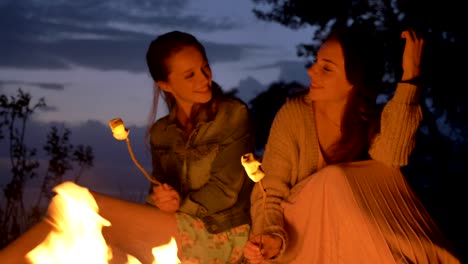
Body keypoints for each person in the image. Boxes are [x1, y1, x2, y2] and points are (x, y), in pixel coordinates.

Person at [0, 31, 254, 264]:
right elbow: (159, 191)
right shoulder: (161, 133)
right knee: (87, 238)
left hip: (223, 234)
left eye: (204, 67)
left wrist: (178, 206)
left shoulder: (232, 115)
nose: (204, 78)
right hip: (175, 228)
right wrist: (160, 199)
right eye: (190, 75)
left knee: (80, 205)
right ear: (165, 85)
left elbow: (225, 190)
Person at [243, 21, 461, 263]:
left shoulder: (370, 121)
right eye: (317, 62)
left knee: (378, 171)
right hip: (299, 238)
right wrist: (271, 235)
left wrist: (411, 77)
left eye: (327, 69)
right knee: (335, 178)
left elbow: (392, 157)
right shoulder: (294, 115)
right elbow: (270, 190)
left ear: (355, 81)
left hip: (350, 242)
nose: (311, 71)